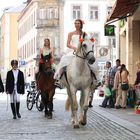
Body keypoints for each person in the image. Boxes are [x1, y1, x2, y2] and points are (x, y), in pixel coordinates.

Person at [54, 19, 99, 86]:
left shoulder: (84, 34)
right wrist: (75, 48)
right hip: (73, 50)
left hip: (83, 51)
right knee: (64, 59)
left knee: (93, 62)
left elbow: (89, 41)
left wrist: (92, 39)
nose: (77, 25)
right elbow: (68, 44)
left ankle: (96, 79)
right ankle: (59, 78)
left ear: (81, 25)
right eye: (75, 23)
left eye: (78, 23)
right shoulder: (71, 33)